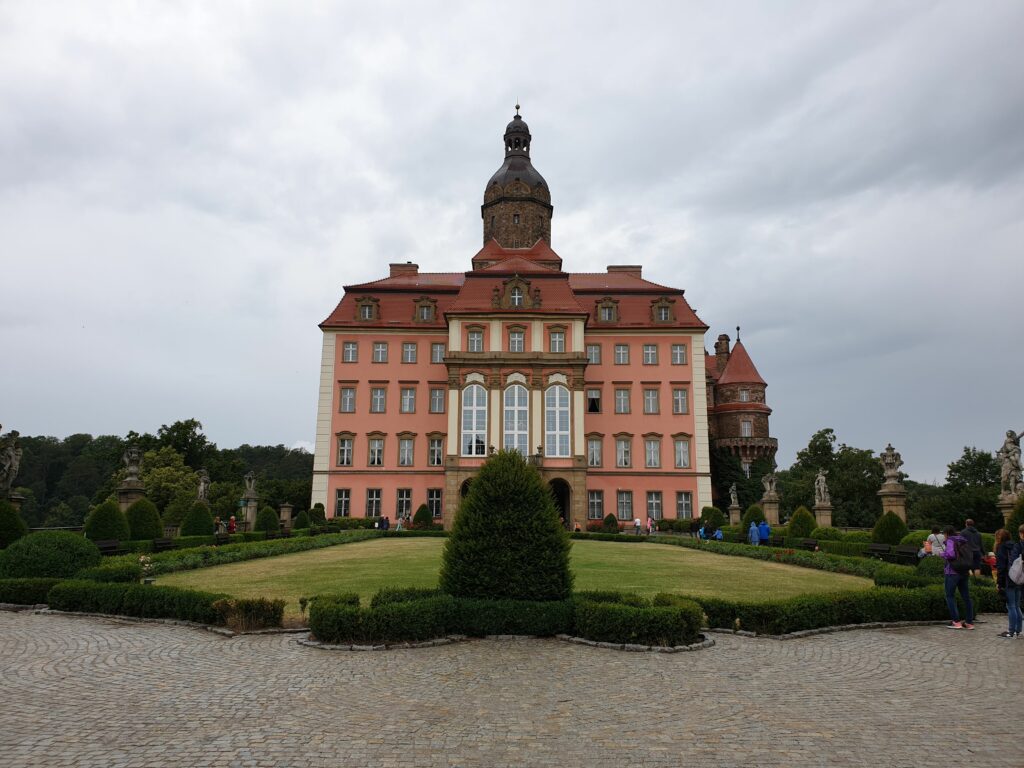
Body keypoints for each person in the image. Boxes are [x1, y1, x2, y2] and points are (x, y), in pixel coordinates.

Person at [941, 525, 975, 630]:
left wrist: (942, 554)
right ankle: (969, 622)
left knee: (950, 596)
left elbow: (950, 554)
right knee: (966, 597)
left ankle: (956, 622)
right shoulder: (963, 540)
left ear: (946, 533)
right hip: (964, 571)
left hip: (952, 572)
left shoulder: (950, 540)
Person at [994, 526, 1023, 638]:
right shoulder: (1016, 545)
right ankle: (1018, 630)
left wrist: (999, 583)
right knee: (1016, 605)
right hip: (1018, 578)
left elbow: (1001, 567)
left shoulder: (1001, 548)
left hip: (1008, 579)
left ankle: (1011, 631)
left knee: (1010, 606)